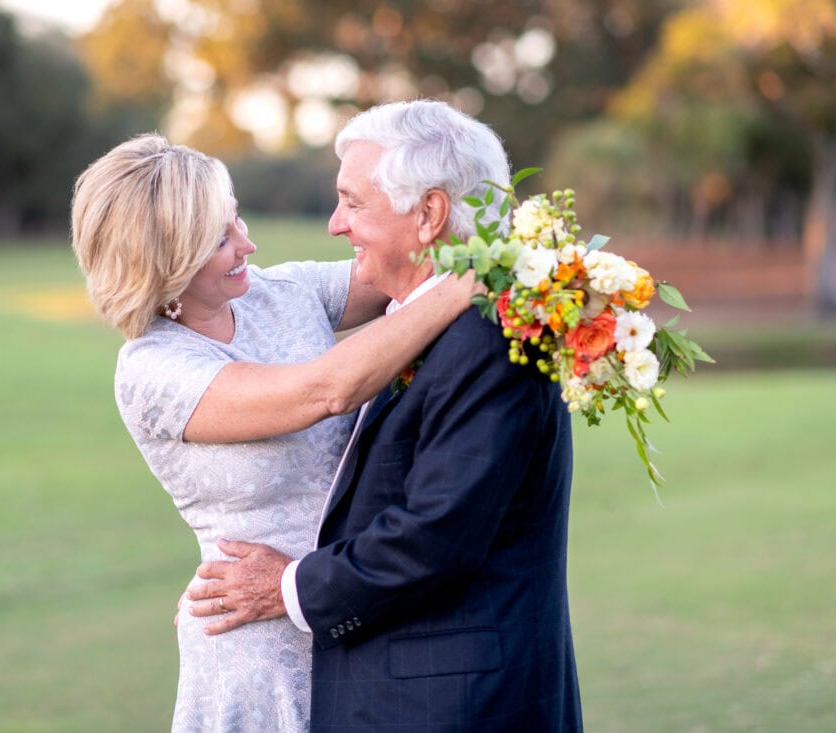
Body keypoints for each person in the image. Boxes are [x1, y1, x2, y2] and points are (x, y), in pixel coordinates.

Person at [187, 100, 583, 731]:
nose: (335, 224)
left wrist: (286, 586)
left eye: (353, 201)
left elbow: (436, 535)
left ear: (429, 214)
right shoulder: (425, 321)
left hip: (457, 708)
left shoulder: (492, 337)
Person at [70, 133, 480, 732]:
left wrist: (493, 239)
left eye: (236, 219)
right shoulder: (153, 371)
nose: (247, 244)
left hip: (352, 612)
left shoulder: (281, 291)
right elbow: (325, 391)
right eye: (219, 239)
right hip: (258, 650)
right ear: (165, 260)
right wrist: (464, 286)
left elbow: (407, 263)